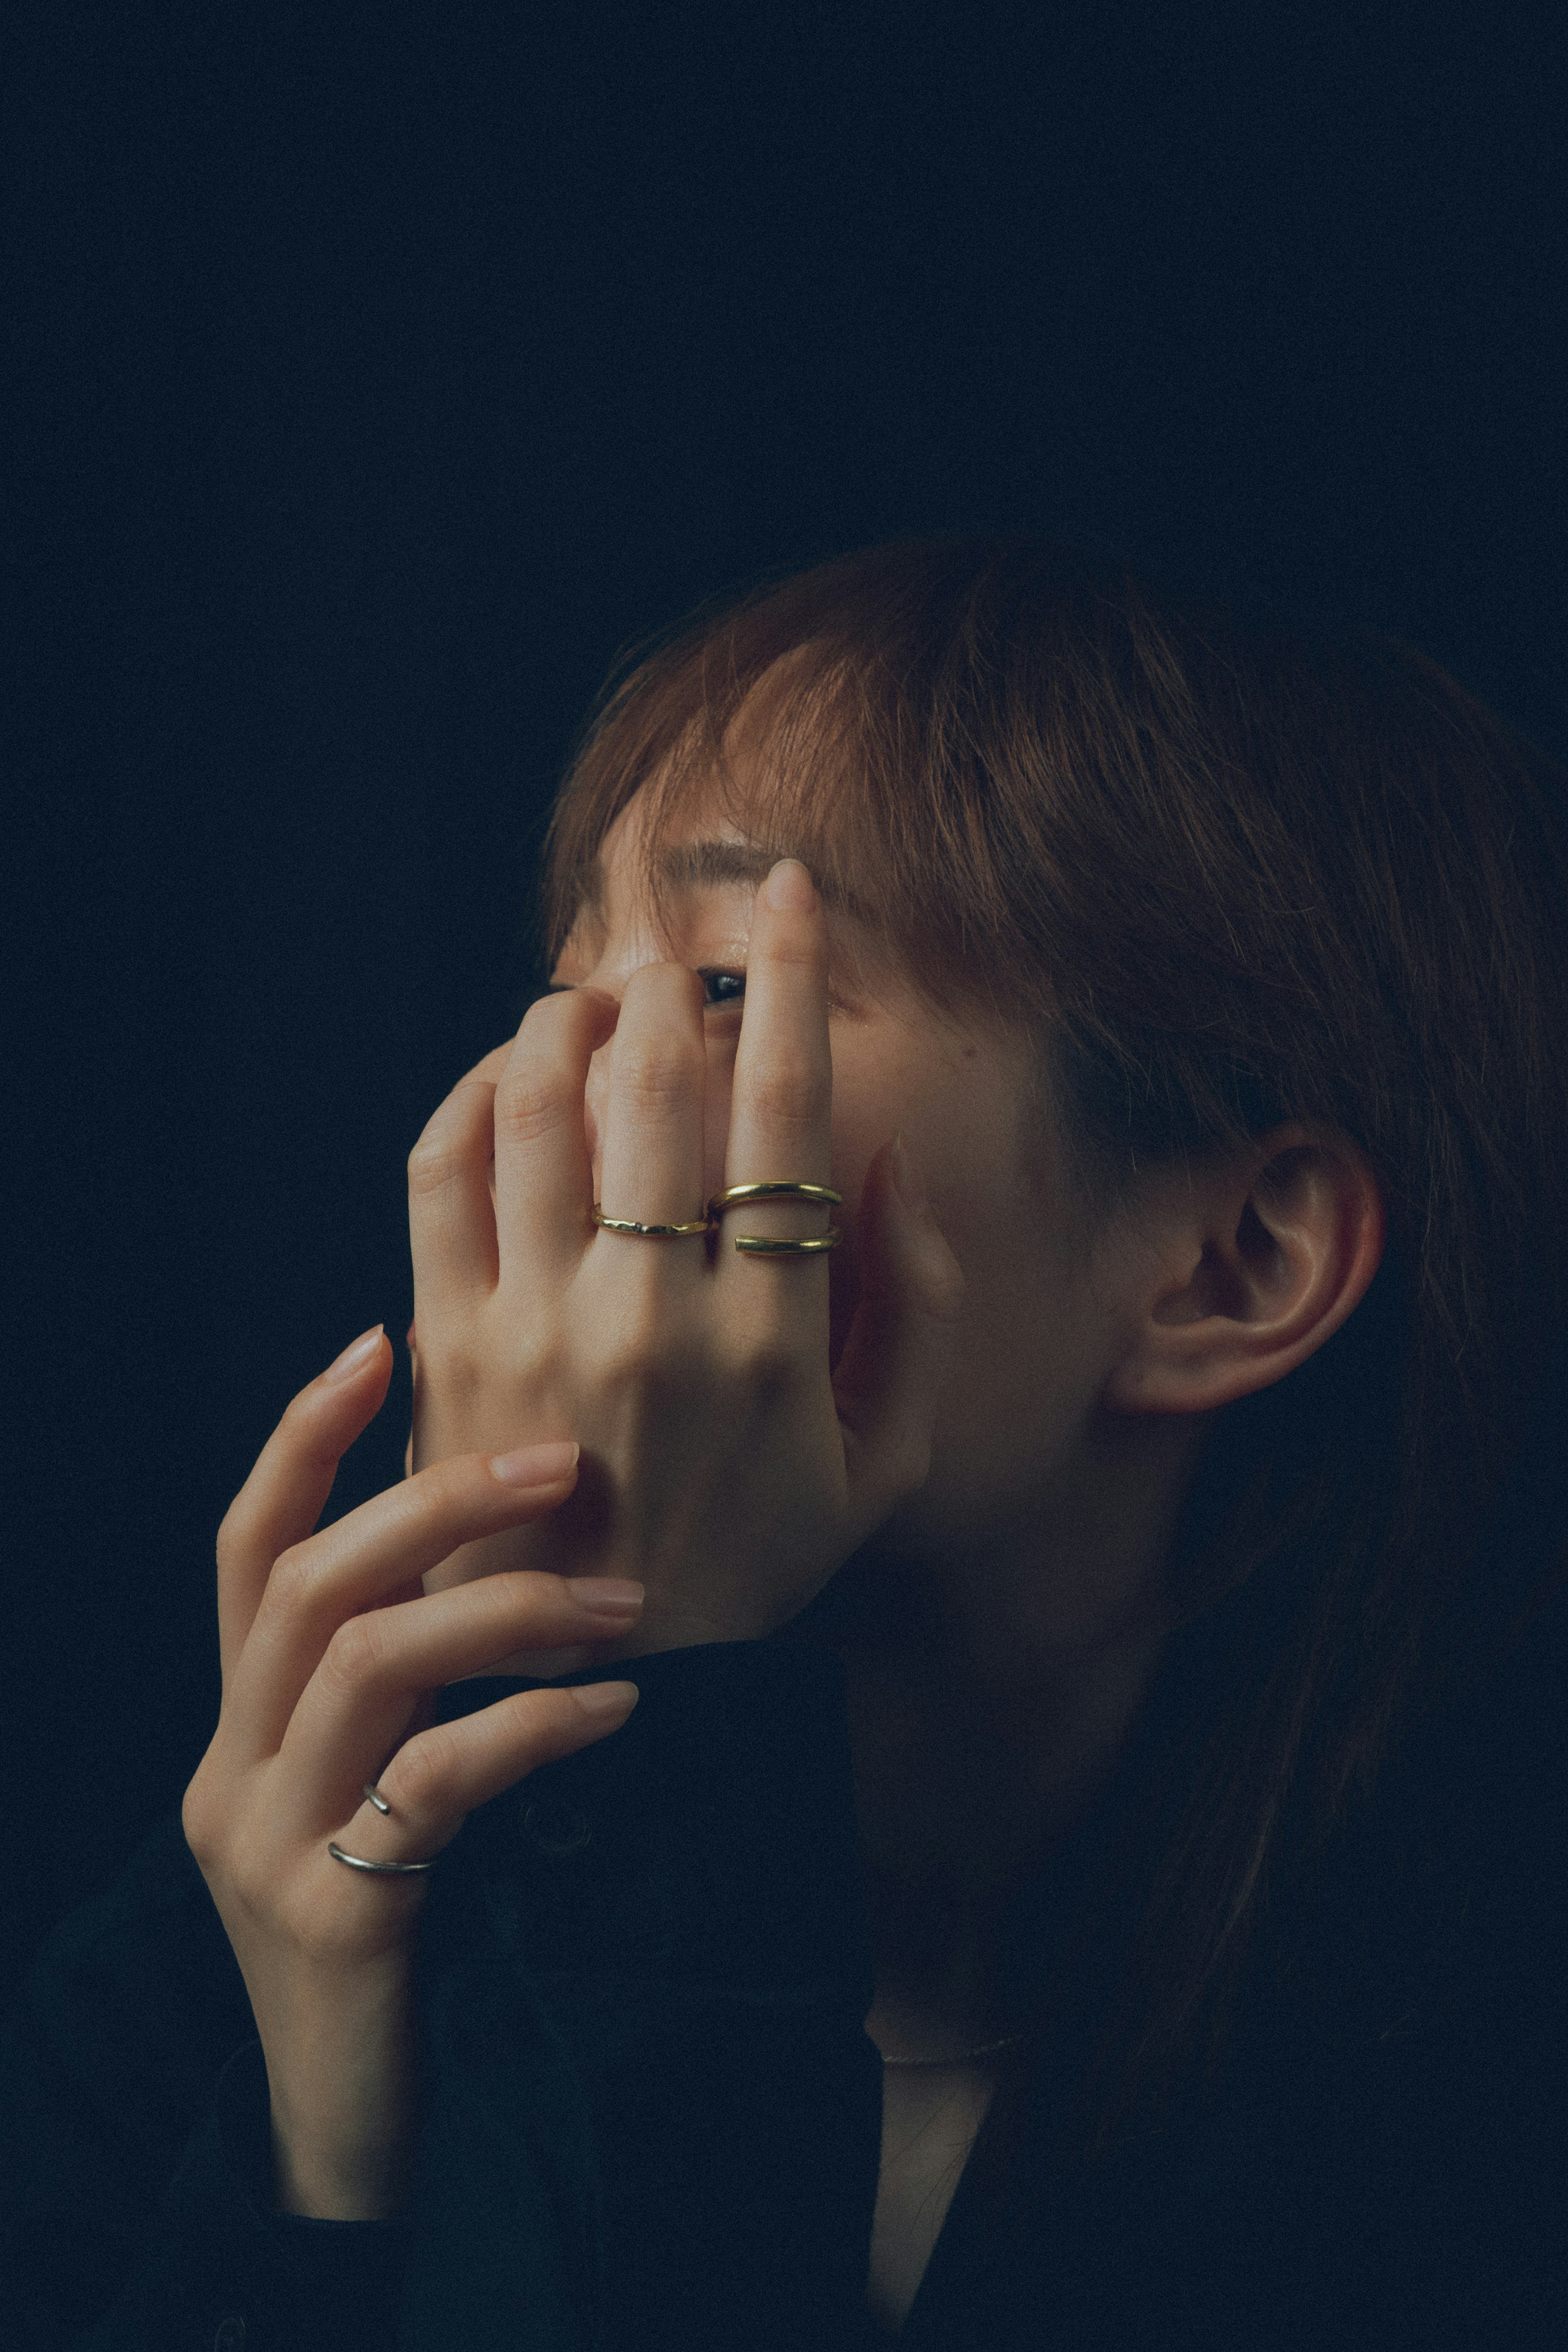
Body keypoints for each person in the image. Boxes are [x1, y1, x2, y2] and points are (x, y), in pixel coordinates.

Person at [5, 539, 1566, 2350]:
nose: (554, 1091)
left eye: (728, 989)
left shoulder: (1459, 2134)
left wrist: (659, 1784)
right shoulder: (279, 1897)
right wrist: (323, 2158)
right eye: (567, 984)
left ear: (1231, 1264)